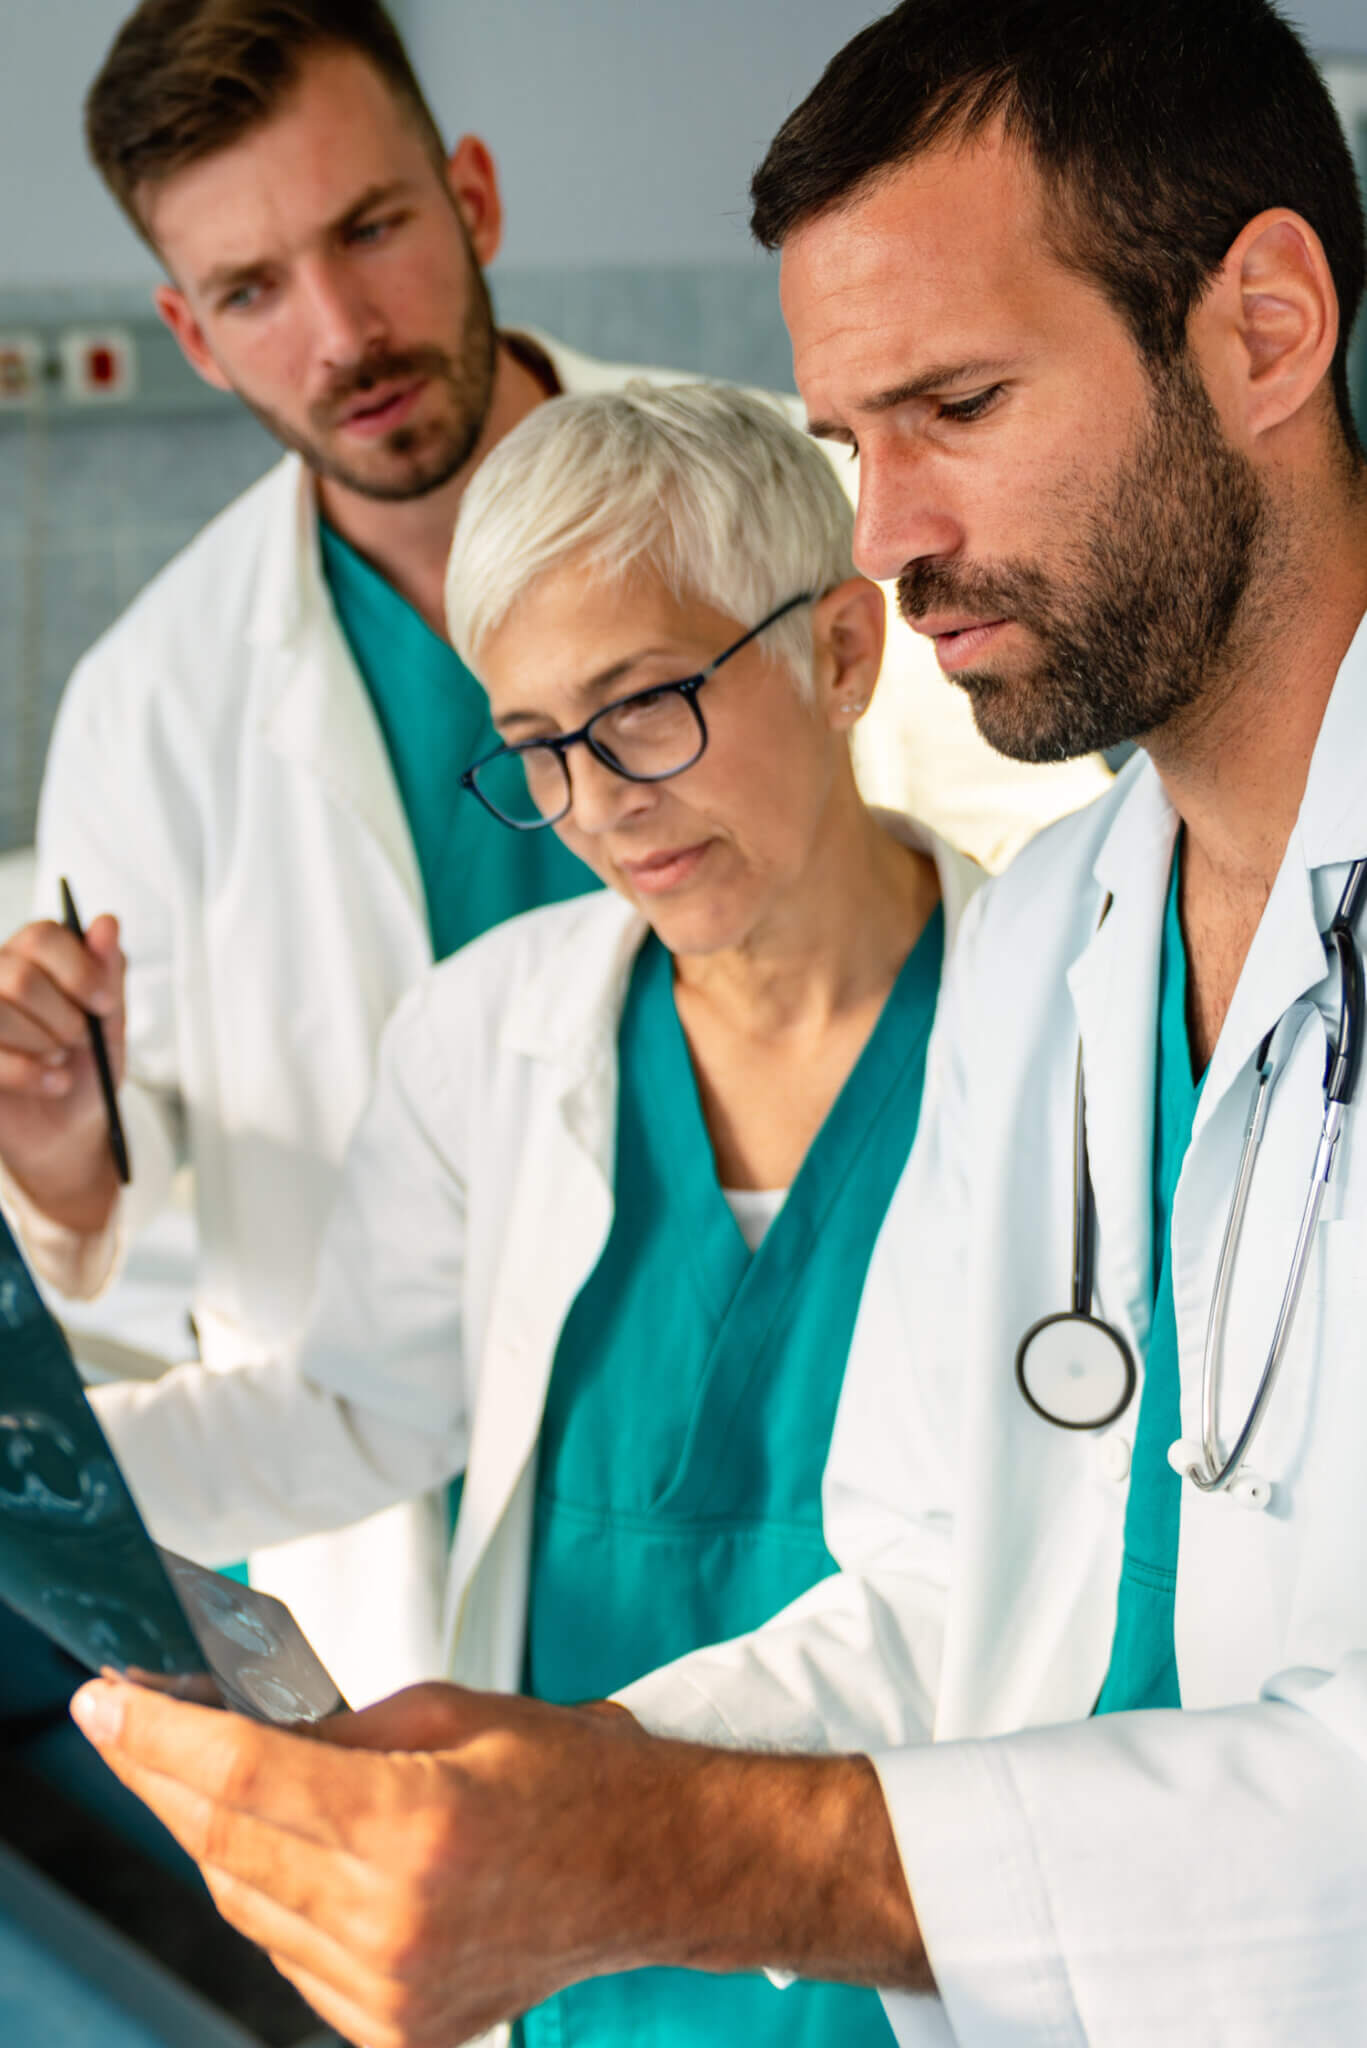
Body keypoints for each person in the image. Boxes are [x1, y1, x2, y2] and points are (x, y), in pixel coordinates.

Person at [71, 0, 1367, 2042]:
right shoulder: (1065, 950)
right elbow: (930, 1591)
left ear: (1269, 330)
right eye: (853, 443)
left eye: (958, 403)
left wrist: (654, 1849)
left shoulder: (986, 971)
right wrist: (546, 1787)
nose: (886, 535)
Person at [0, 0, 1105, 1704]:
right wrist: (71, 1175)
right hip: (445, 1627)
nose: (342, 329)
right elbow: (252, 1335)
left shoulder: (827, 504)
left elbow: (1053, 866)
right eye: (251, 289)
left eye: (370, 229)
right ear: (190, 334)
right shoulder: (159, 713)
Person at [86, 379, 981, 2048]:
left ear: (846, 656)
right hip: (565, 1950)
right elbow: (360, 1410)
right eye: (538, 751)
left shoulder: (1052, 1043)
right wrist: (45, 1466)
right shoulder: (486, 1038)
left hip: (909, 1948)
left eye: (646, 708)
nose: (601, 802)